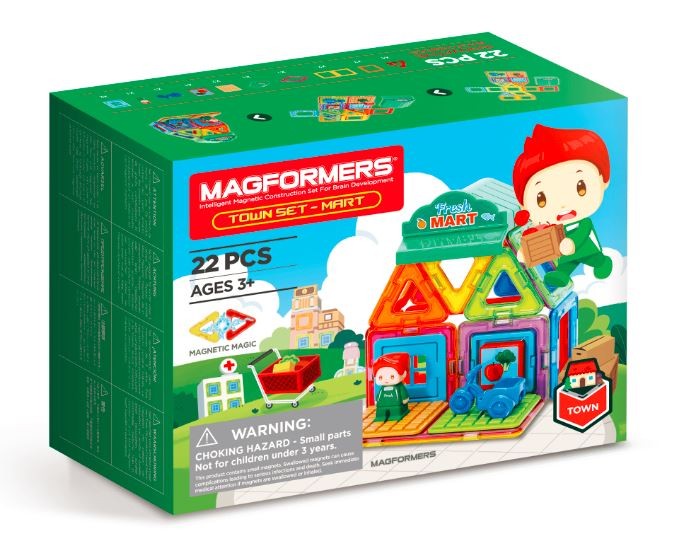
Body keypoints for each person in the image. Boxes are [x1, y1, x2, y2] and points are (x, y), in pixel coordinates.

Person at [513, 124, 613, 287]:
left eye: (580, 187)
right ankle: (561, 275)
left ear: (603, 180)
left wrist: (572, 242)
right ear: (524, 205)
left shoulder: (584, 222)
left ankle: (603, 263)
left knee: (594, 258)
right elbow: (541, 243)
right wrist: (526, 252)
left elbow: (583, 232)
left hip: (587, 248)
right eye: (542, 199)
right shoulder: (551, 228)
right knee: (565, 265)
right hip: (566, 253)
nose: (563, 204)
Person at [373, 353, 410, 422]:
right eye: (381, 377)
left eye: (392, 376)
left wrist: (405, 398)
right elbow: (379, 395)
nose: (386, 380)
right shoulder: (382, 388)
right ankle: (381, 416)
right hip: (382, 406)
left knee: (397, 410)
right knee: (381, 410)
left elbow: (403, 392)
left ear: (403, 373)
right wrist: (377, 400)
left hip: (398, 405)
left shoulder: (399, 387)